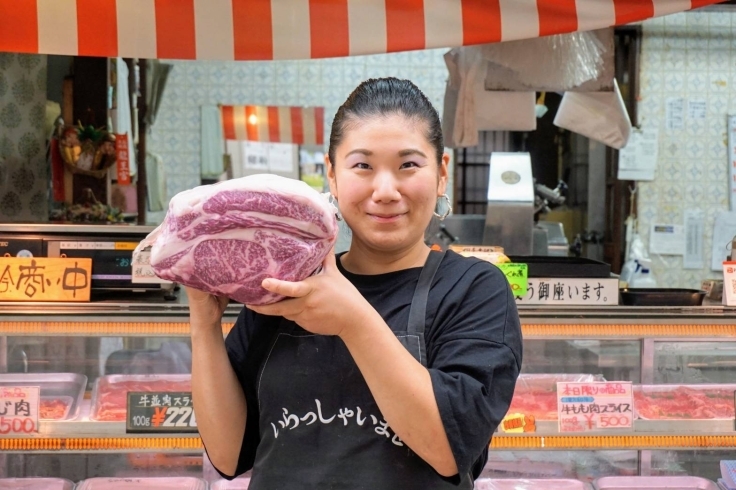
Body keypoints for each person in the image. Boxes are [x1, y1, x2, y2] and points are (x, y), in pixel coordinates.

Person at [187, 77, 522, 489]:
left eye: (408, 165)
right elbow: (228, 454)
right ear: (332, 174)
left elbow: (448, 450)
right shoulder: (289, 284)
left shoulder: (473, 289)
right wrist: (203, 326)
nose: (385, 191)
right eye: (362, 165)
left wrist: (353, 322)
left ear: (441, 173)